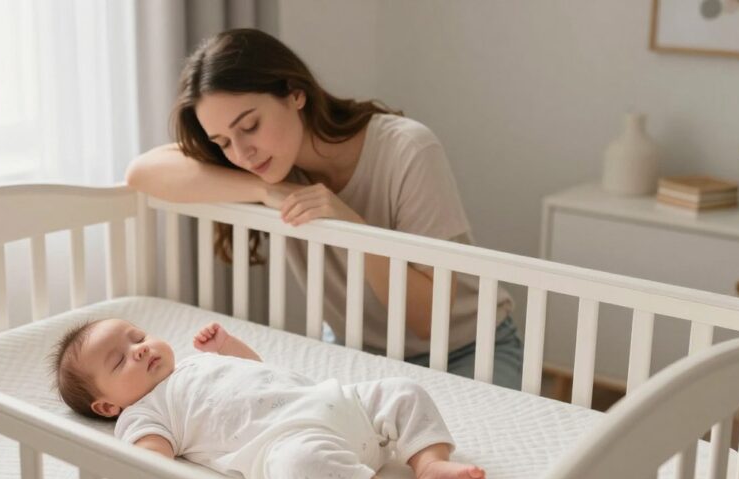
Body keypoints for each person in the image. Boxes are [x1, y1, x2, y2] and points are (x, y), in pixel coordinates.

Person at [125, 28, 524, 389]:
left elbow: (427, 320)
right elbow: (142, 172)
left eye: (249, 126)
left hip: (466, 348)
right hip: (356, 349)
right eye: (223, 142)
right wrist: (264, 190)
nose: (242, 153)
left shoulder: (407, 149)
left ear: (296, 93)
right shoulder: (269, 171)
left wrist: (352, 225)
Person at [50, 318, 486, 479]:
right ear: (107, 406)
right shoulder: (142, 414)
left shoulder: (196, 362)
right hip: (286, 440)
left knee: (402, 390)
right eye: (120, 359)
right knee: (302, 467)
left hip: (333, 401)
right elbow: (152, 461)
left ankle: (429, 463)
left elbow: (257, 372)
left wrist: (227, 347)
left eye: (137, 338)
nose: (140, 351)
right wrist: (140, 456)